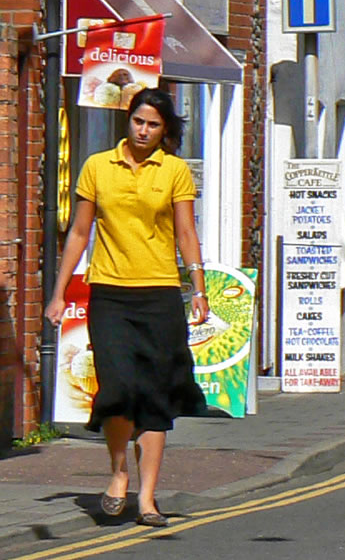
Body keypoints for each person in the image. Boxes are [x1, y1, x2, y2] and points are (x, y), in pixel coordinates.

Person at [43, 89, 209, 527]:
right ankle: (118, 473)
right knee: (116, 390)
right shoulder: (98, 166)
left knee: (155, 397)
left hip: (158, 295)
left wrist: (198, 287)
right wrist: (59, 292)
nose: (143, 130)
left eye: (153, 125)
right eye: (138, 120)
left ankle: (148, 498)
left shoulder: (173, 171)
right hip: (110, 295)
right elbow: (79, 233)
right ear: (128, 119)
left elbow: (186, 233)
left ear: (165, 130)